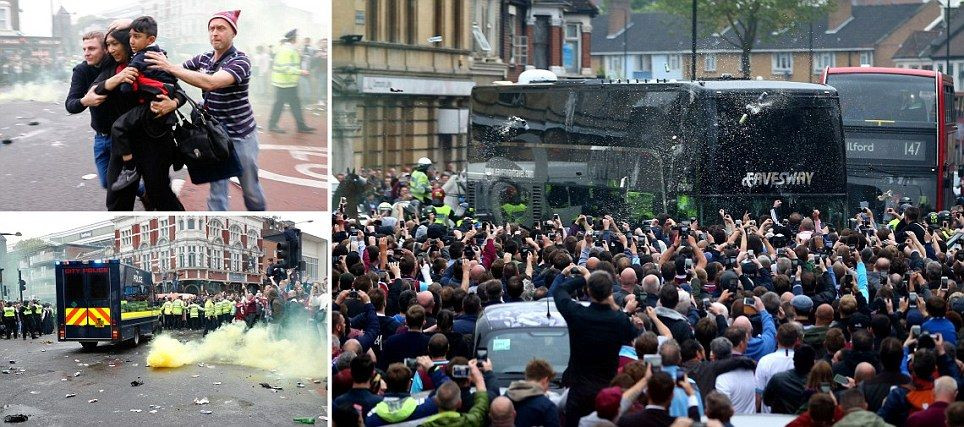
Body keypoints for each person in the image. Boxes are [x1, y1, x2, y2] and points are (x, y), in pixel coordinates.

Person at [145, 9, 268, 211]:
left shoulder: (240, 61)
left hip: (241, 136)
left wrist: (170, 68)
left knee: (251, 190)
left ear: (233, 33)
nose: (215, 33)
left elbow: (211, 83)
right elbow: (175, 73)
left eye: (221, 28)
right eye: (211, 28)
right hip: (213, 135)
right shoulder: (204, 58)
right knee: (217, 193)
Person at [95, 21, 185, 211]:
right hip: (124, 145)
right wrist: (117, 79)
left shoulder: (153, 60)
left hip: (154, 141)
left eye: (115, 44)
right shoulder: (111, 70)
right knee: (117, 201)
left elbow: (178, 91)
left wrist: (173, 103)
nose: (111, 49)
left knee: (159, 194)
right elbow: (94, 91)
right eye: (108, 45)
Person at [552, 270, 638, 427]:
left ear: (589, 291)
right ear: (611, 292)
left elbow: (559, 291)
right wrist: (615, 307)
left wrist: (583, 279)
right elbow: (633, 333)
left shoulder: (577, 314)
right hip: (606, 392)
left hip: (579, 392)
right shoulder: (619, 320)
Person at [108, 15, 179, 192]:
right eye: (130, 36)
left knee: (117, 128)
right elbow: (175, 84)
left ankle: (129, 168)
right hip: (161, 112)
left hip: (151, 109)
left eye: (137, 37)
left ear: (150, 39)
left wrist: (128, 84)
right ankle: (173, 159)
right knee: (159, 188)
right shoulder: (160, 54)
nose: (132, 41)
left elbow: (125, 89)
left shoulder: (140, 57)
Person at [267, 28, 314, 134]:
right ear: (293, 39)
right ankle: (273, 125)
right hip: (283, 83)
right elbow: (285, 68)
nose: (298, 39)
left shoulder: (290, 49)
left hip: (288, 83)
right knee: (280, 104)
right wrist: (301, 71)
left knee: (294, 104)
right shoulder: (287, 50)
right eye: (297, 37)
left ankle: (300, 125)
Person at [416, 361, 489, 427]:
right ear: (459, 403)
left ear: (435, 401)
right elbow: (481, 404)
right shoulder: (470, 422)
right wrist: (479, 378)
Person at [617, 371, 700, 427]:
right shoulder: (680, 424)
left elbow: (617, 408)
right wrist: (691, 395)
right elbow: (696, 423)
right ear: (671, 396)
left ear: (647, 393)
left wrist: (645, 380)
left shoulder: (627, 422)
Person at [505, 359, 559, 427]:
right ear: (545, 380)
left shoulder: (503, 399)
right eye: (549, 383)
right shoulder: (547, 407)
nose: (548, 388)